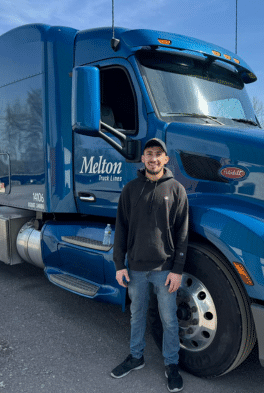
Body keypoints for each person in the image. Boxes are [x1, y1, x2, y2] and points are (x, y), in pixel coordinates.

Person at [111, 138, 189, 392]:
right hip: (135, 268)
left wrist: (177, 269)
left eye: (158, 154)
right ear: (142, 159)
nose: (153, 158)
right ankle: (136, 357)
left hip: (165, 270)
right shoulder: (130, 189)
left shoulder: (176, 190)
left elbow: (183, 234)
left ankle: (172, 365)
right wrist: (119, 264)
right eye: (148, 154)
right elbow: (121, 229)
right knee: (137, 316)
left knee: (169, 320)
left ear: (166, 159)